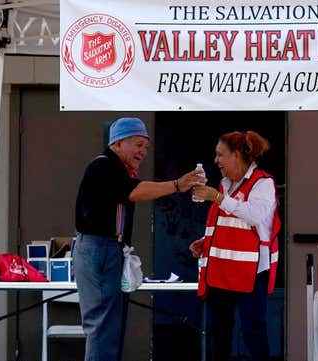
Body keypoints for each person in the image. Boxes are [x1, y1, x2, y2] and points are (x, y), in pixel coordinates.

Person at [73, 117, 203, 361]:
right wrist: (177, 185)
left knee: (110, 325)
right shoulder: (103, 166)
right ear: (118, 143)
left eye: (145, 146)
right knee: (102, 325)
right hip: (99, 249)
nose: (143, 152)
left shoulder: (117, 170)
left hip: (108, 249)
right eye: (138, 145)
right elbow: (135, 191)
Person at [189, 130, 281, 361]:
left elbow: (255, 217)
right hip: (221, 271)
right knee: (218, 334)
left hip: (250, 272)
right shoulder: (225, 185)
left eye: (221, 155)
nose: (216, 160)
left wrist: (218, 198)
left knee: (253, 332)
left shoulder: (263, 183)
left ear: (237, 155)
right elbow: (228, 225)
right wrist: (205, 242)